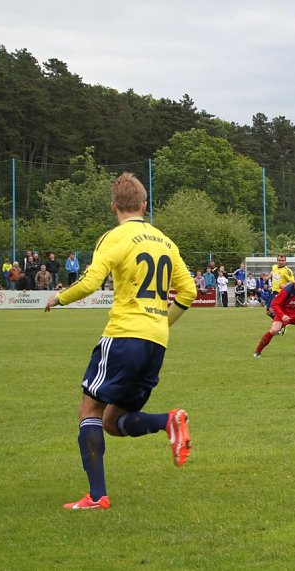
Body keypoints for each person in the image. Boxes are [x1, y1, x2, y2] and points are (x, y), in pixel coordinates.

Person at [44, 172, 196, 510]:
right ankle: (166, 421)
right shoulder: (165, 241)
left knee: (90, 410)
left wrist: (59, 298)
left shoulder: (114, 237)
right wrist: (162, 321)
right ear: (144, 205)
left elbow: (89, 283)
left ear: (114, 206)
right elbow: (189, 291)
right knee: (113, 422)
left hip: (124, 335)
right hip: (156, 343)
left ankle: (97, 496)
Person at [253, 270, 295, 357]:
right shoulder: (287, 290)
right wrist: (282, 315)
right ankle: (257, 352)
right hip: (283, 314)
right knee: (274, 330)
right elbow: (275, 304)